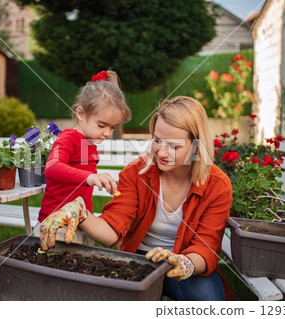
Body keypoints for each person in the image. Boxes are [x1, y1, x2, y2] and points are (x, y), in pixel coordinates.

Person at [40, 96, 234, 301]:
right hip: (140, 258)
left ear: (196, 146)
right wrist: (82, 214)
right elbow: (112, 229)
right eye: (157, 141)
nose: (162, 152)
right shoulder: (137, 173)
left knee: (208, 301)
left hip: (186, 261)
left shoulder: (216, 185)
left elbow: (207, 246)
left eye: (174, 146)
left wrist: (185, 263)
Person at [38, 70, 132, 223]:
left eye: (112, 127)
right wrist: (90, 177)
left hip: (81, 220)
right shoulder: (68, 137)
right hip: (56, 221)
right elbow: (52, 167)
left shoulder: (88, 142)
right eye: (102, 125)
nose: (107, 133)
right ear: (81, 114)